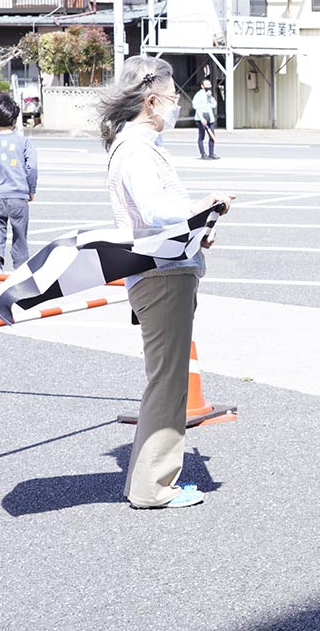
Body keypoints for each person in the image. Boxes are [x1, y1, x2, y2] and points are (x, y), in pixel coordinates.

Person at [98, 55, 234, 509]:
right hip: (161, 277)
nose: (180, 102)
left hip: (160, 273)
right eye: (174, 95)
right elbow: (155, 212)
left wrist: (198, 227)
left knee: (167, 379)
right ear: (151, 100)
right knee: (167, 381)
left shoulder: (138, 145)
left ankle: (148, 482)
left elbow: (154, 220)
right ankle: (153, 488)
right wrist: (204, 202)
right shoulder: (136, 149)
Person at [0, 97, 36, 272]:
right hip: (18, 195)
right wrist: (31, 189)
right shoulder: (24, 142)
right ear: (15, 118)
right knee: (20, 235)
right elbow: (31, 167)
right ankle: (21, 268)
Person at [191, 79, 219, 160]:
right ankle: (203, 154)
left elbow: (214, 105)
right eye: (206, 85)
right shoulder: (198, 95)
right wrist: (201, 118)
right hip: (201, 119)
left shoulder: (208, 95)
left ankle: (211, 153)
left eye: (209, 85)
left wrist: (210, 97)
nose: (208, 87)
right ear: (202, 86)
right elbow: (196, 107)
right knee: (201, 136)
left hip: (209, 118)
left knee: (212, 135)